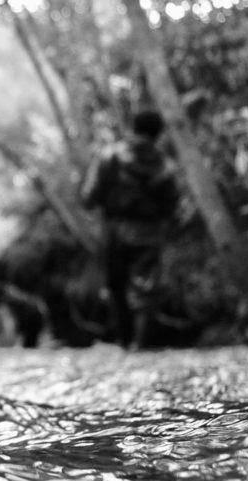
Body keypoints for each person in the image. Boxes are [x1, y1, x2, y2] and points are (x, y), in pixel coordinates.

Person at [84, 110, 180, 349]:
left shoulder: (109, 156)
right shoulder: (165, 165)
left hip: (114, 230)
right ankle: (142, 342)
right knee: (146, 285)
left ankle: (124, 342)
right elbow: (172, 205)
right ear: (158, 134)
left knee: (116, 286)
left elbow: (89, 197)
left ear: (133, 127)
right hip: (148, 230)